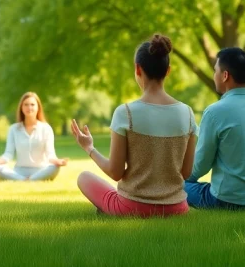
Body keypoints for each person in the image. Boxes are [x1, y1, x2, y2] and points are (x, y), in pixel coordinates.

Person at [70, 34, 196, 217]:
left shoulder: (125, 113)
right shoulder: (187, 113)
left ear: (138, 69)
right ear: (168, 71)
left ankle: (109, 211)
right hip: (177, 209)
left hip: (133, 208)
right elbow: (185, 173)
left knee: (84, 178)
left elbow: (115, 171)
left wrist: (89, 148)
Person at [185, 47, 245, 210]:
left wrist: (182, 178)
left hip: (228, 201)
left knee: (175, 186)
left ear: (225, 75)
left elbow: (200, 166)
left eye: (215, 70)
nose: (214, 75)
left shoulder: (214, 112)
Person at [0, 92, 68, 181]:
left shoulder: (46, 128)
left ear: (38, 107)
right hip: (19, 171)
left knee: (55, 167)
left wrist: (58, 161)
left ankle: (26, 179)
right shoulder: (13, 129)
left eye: (32, 104)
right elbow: (8, 154)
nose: (29, 107)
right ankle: (25, 179)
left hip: (41, 171)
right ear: (21, 108)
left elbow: (50, 154)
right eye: (26, 105)